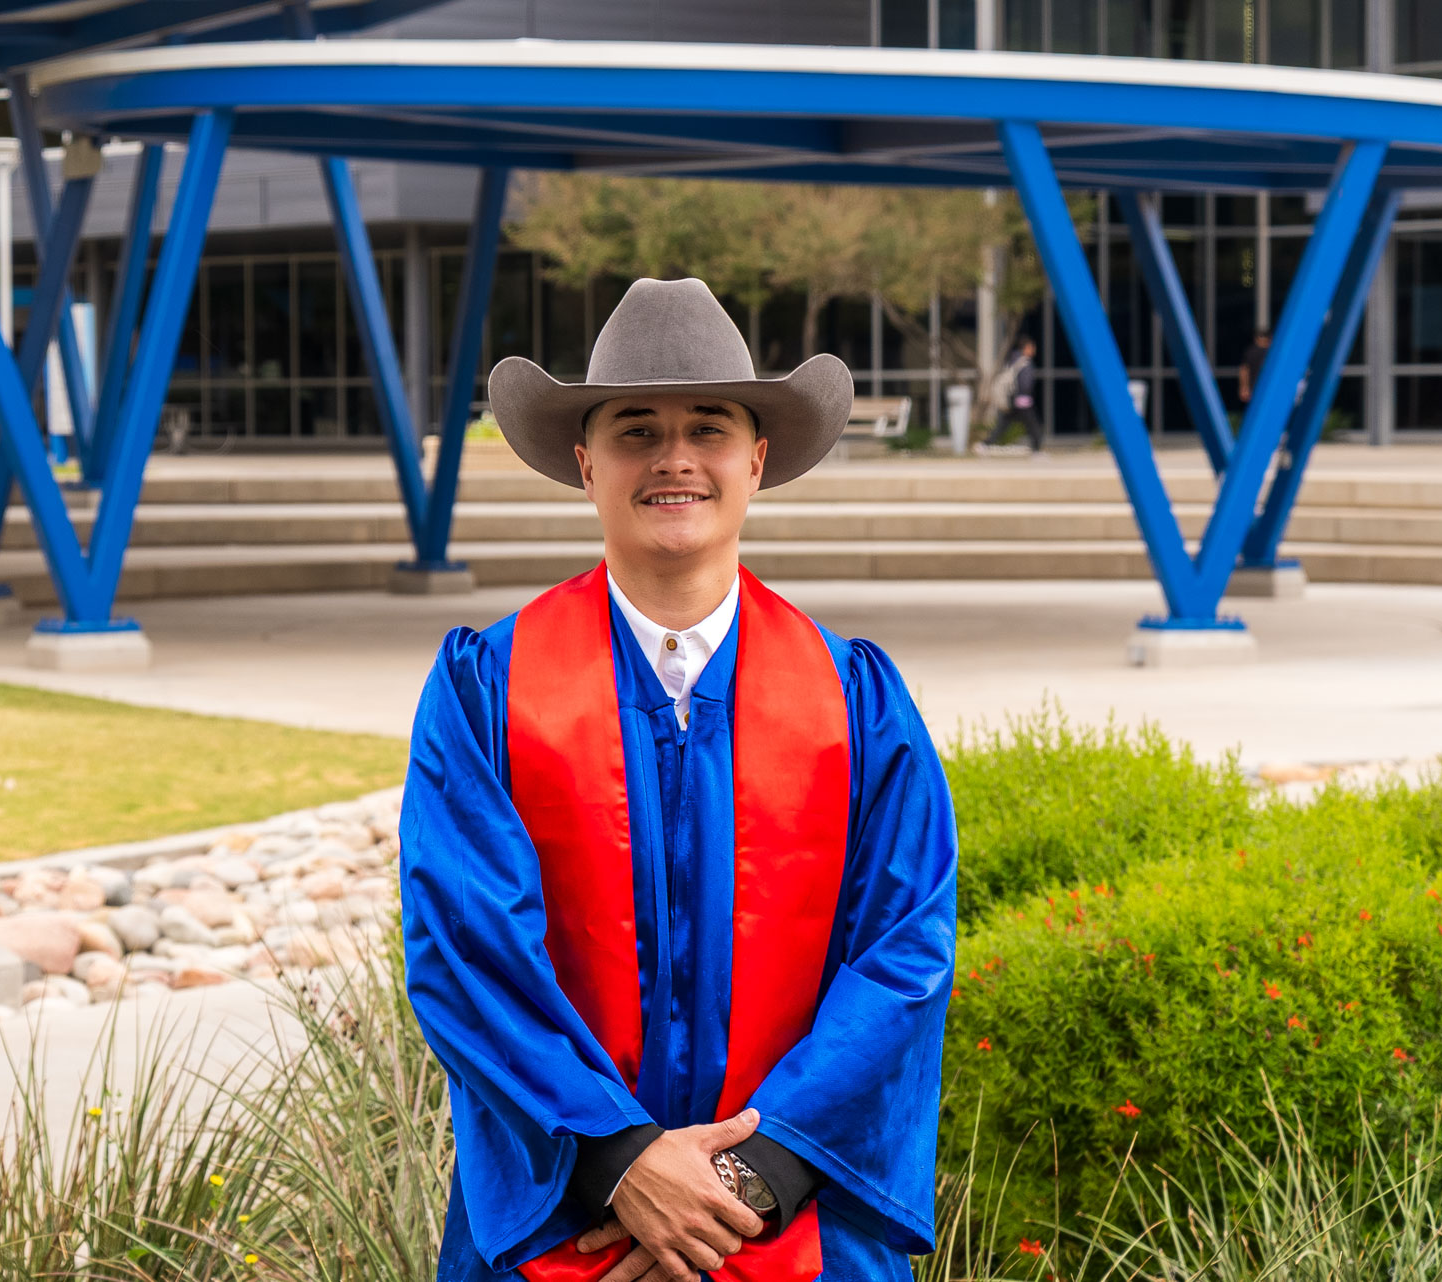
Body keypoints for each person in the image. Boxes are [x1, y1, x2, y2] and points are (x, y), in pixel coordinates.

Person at [401, 276, 957, 1282]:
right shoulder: (485, 692)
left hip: (799, 1216)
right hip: (564, 1216)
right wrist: (620, 1161)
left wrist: (739, 1189)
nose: (674, 457)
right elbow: (466, 954)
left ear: (757, 458)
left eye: (708, 426)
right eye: (635, 429)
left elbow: (904, 956)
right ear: (584, 463)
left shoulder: (859, 704)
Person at [985, 336, 1043, 452]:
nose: (1033, 349)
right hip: (1022, 401)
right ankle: (1036, 451)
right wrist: (1025, 393)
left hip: (1013, 400)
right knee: (1034, 426)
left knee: (1003, 424)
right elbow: (1025, 384)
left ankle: (985, 445)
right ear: (1026, 348)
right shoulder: (1025, 362)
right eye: (1032, 347)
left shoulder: (1013, 360)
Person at [1237, 329, 1272, 406]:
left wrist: (1244, 387)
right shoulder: (1272, 353)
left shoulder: (1251, 352)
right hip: (1267, 387)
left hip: (1254, 388)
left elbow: (1244, 370)